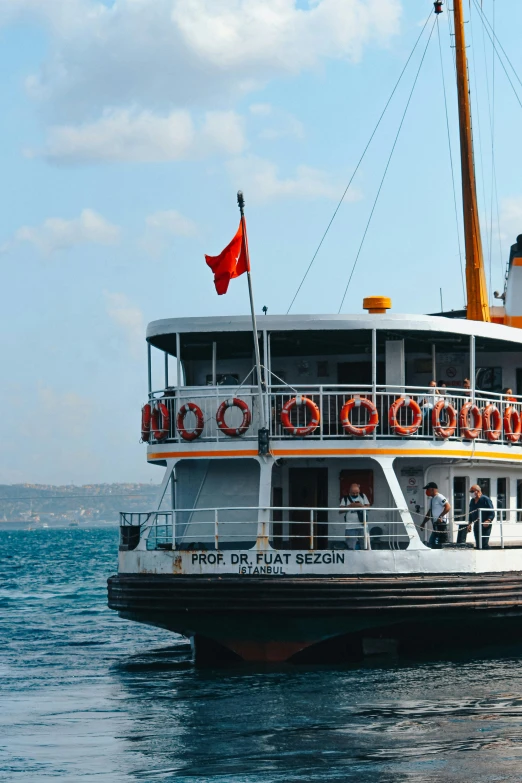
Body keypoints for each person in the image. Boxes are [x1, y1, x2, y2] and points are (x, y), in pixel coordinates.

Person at [339, 483, 371, 550]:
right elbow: (340, 511)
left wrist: (361, 506)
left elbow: (368, 507)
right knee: (350, 546)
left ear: (359, 491)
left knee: (366, 546)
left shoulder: (362, 496)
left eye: (357, 493)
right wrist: (350, 506)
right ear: (349, 492)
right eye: (353, 493)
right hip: (350, 527)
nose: (355, 494)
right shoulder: (345, 499)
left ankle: (366, 559)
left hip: (363, 526)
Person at [420, 482, 451, 548]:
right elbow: (429, 513)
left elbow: (448, 507)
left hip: (442, 525)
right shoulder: (432, 499)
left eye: (427, 489)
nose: (427, 491)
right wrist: (423, 523)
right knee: (432, 542)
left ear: (432, 489)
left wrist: (441, 516)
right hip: (436, 525)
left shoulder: (440, 497)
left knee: (440, 543)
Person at [468, 484, 495, 549]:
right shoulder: (472, 501)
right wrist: (469, 523)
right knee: (478, 543)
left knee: (483, 543)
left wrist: (488, 520)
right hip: (476, 524)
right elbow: (471, 512)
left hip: (484, 524)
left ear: (477, 491)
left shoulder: (485, 499)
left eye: (472, 492)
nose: (471, 493)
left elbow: (492, 512)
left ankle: (487, 553)